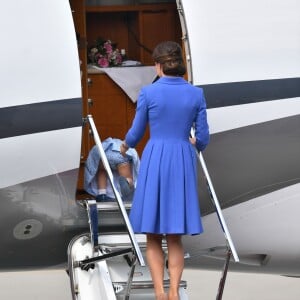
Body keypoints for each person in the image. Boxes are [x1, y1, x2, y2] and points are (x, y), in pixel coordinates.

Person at [120, 41, 209, 300]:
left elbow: (136, 133)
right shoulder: (196, 93)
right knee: (174, 235)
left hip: (157, 157)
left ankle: (159, 292)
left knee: (153, 234)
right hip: (181, 157)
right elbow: (203, 136)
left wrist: (125, 145)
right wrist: (195, 143)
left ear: (158, 66)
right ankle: (174, 293)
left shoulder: (149, 93)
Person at [84, 137, 139, 202]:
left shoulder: (103, 145)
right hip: (119, 155)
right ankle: (127, 182)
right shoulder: (122, 146)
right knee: (127, 176)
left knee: (102, 171)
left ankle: (102, 193)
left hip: (104, 155)